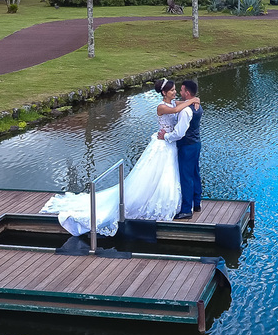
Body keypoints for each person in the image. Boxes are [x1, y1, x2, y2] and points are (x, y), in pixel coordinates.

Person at [42, 78, 199, 235]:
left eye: (175, 90)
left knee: (169, 174)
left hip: (170, 144)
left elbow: (179, 105)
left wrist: (193, 100)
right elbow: (176, 111)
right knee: (155, 174)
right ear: (164, 92)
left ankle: (173, 202)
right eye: (172, 90)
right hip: (163, 143)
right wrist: (194, 99)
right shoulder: (162, 107)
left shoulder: (173, 103)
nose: (175, 92)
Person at [159, 78, 202, 220]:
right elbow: (176, 106)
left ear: (187, 93)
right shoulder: (195, 107)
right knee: (195, 173)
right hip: (196, 143)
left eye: (181, 90)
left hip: (187, 146)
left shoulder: (185, 112)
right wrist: (195, 99)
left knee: (186, 177)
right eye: (174, 90)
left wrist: (165, 136)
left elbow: (179, 133)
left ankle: (186, 210)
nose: (179, 92)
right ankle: (197, 203)